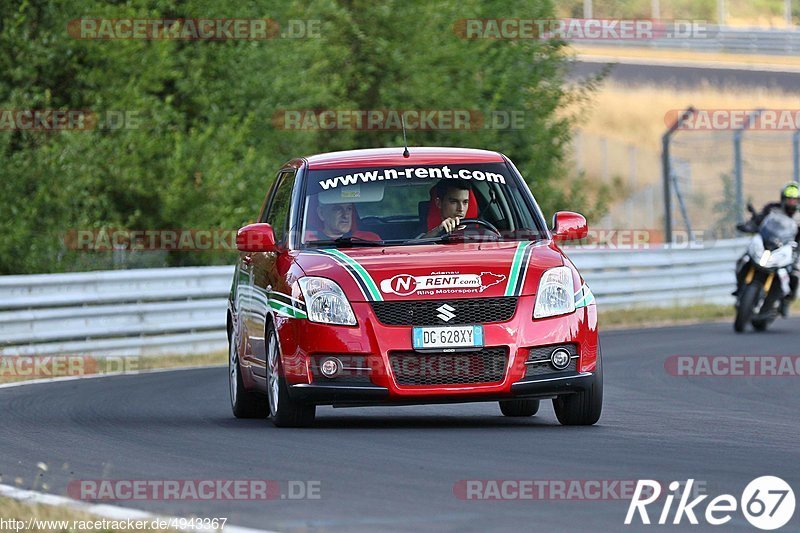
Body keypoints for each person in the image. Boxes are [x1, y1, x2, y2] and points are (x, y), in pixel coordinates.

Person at [735, 182, 800, 316]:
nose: (792, 202)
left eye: (795, 200)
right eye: (789, 199)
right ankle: (739, 287)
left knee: (795, 272)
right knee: (744, 259)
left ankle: (786, 300)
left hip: (790, 248)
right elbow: (759, 219)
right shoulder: (772, 208)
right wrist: (749, 226)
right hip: (769, 243)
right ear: (783, 198)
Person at [308, 201, 381, 241]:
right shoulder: (307, 241)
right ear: (321, 213)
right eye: (338, 209)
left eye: (349, 208)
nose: (346, 215)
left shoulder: (370, 239)